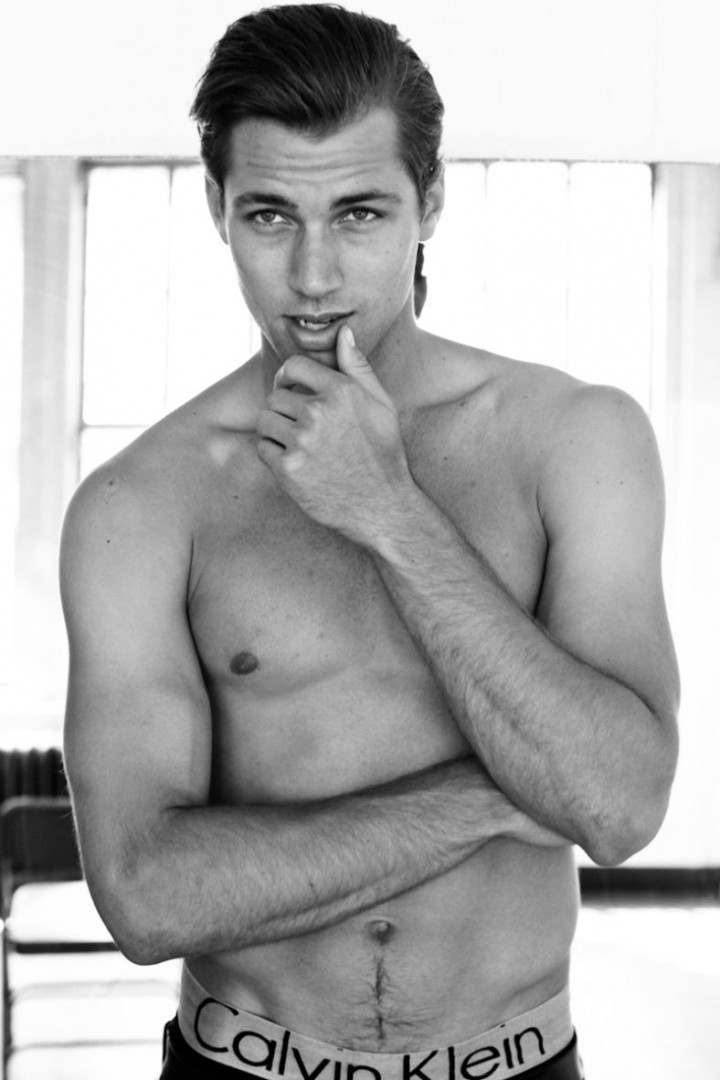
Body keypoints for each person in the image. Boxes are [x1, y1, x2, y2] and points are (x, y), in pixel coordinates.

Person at [60, 5, 680, 1079]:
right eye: (269, 216)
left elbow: (621, 811)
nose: (313, 276)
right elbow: (148, 898)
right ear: (215, 208)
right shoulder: (139, 505)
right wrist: (502, 792)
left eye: (358, 213)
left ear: (429, 200)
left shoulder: (577, 440)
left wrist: (389, 510)